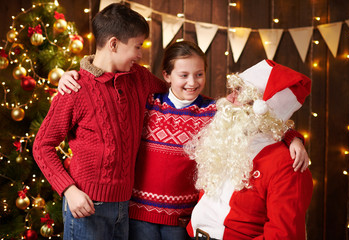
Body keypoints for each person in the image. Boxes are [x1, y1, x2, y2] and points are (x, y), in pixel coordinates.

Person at [58, 41, 309, 240]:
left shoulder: (214, 111)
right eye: (184, 75)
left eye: (199, 74)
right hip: (138, 214)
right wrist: (77, 74)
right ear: (166, 75)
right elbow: (109, 76)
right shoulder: (147, 104)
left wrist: (291, 137)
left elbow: (257, 122)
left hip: (181, 220)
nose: (192, 82)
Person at [32, 3, 167, 240]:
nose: (140, 54)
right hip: (85, 206)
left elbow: (176, 93)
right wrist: (69, 190)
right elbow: (42, 146)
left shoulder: (140, 77)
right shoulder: (75, 88)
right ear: (114, 44)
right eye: (137, 46)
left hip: (124, 205)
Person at [184, 59, 313, 240]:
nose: (229, 98)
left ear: (262, 110)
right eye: (234, 91)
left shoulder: (287, 165)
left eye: (241, 95)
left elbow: (283, 235)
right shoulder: (226, 136)